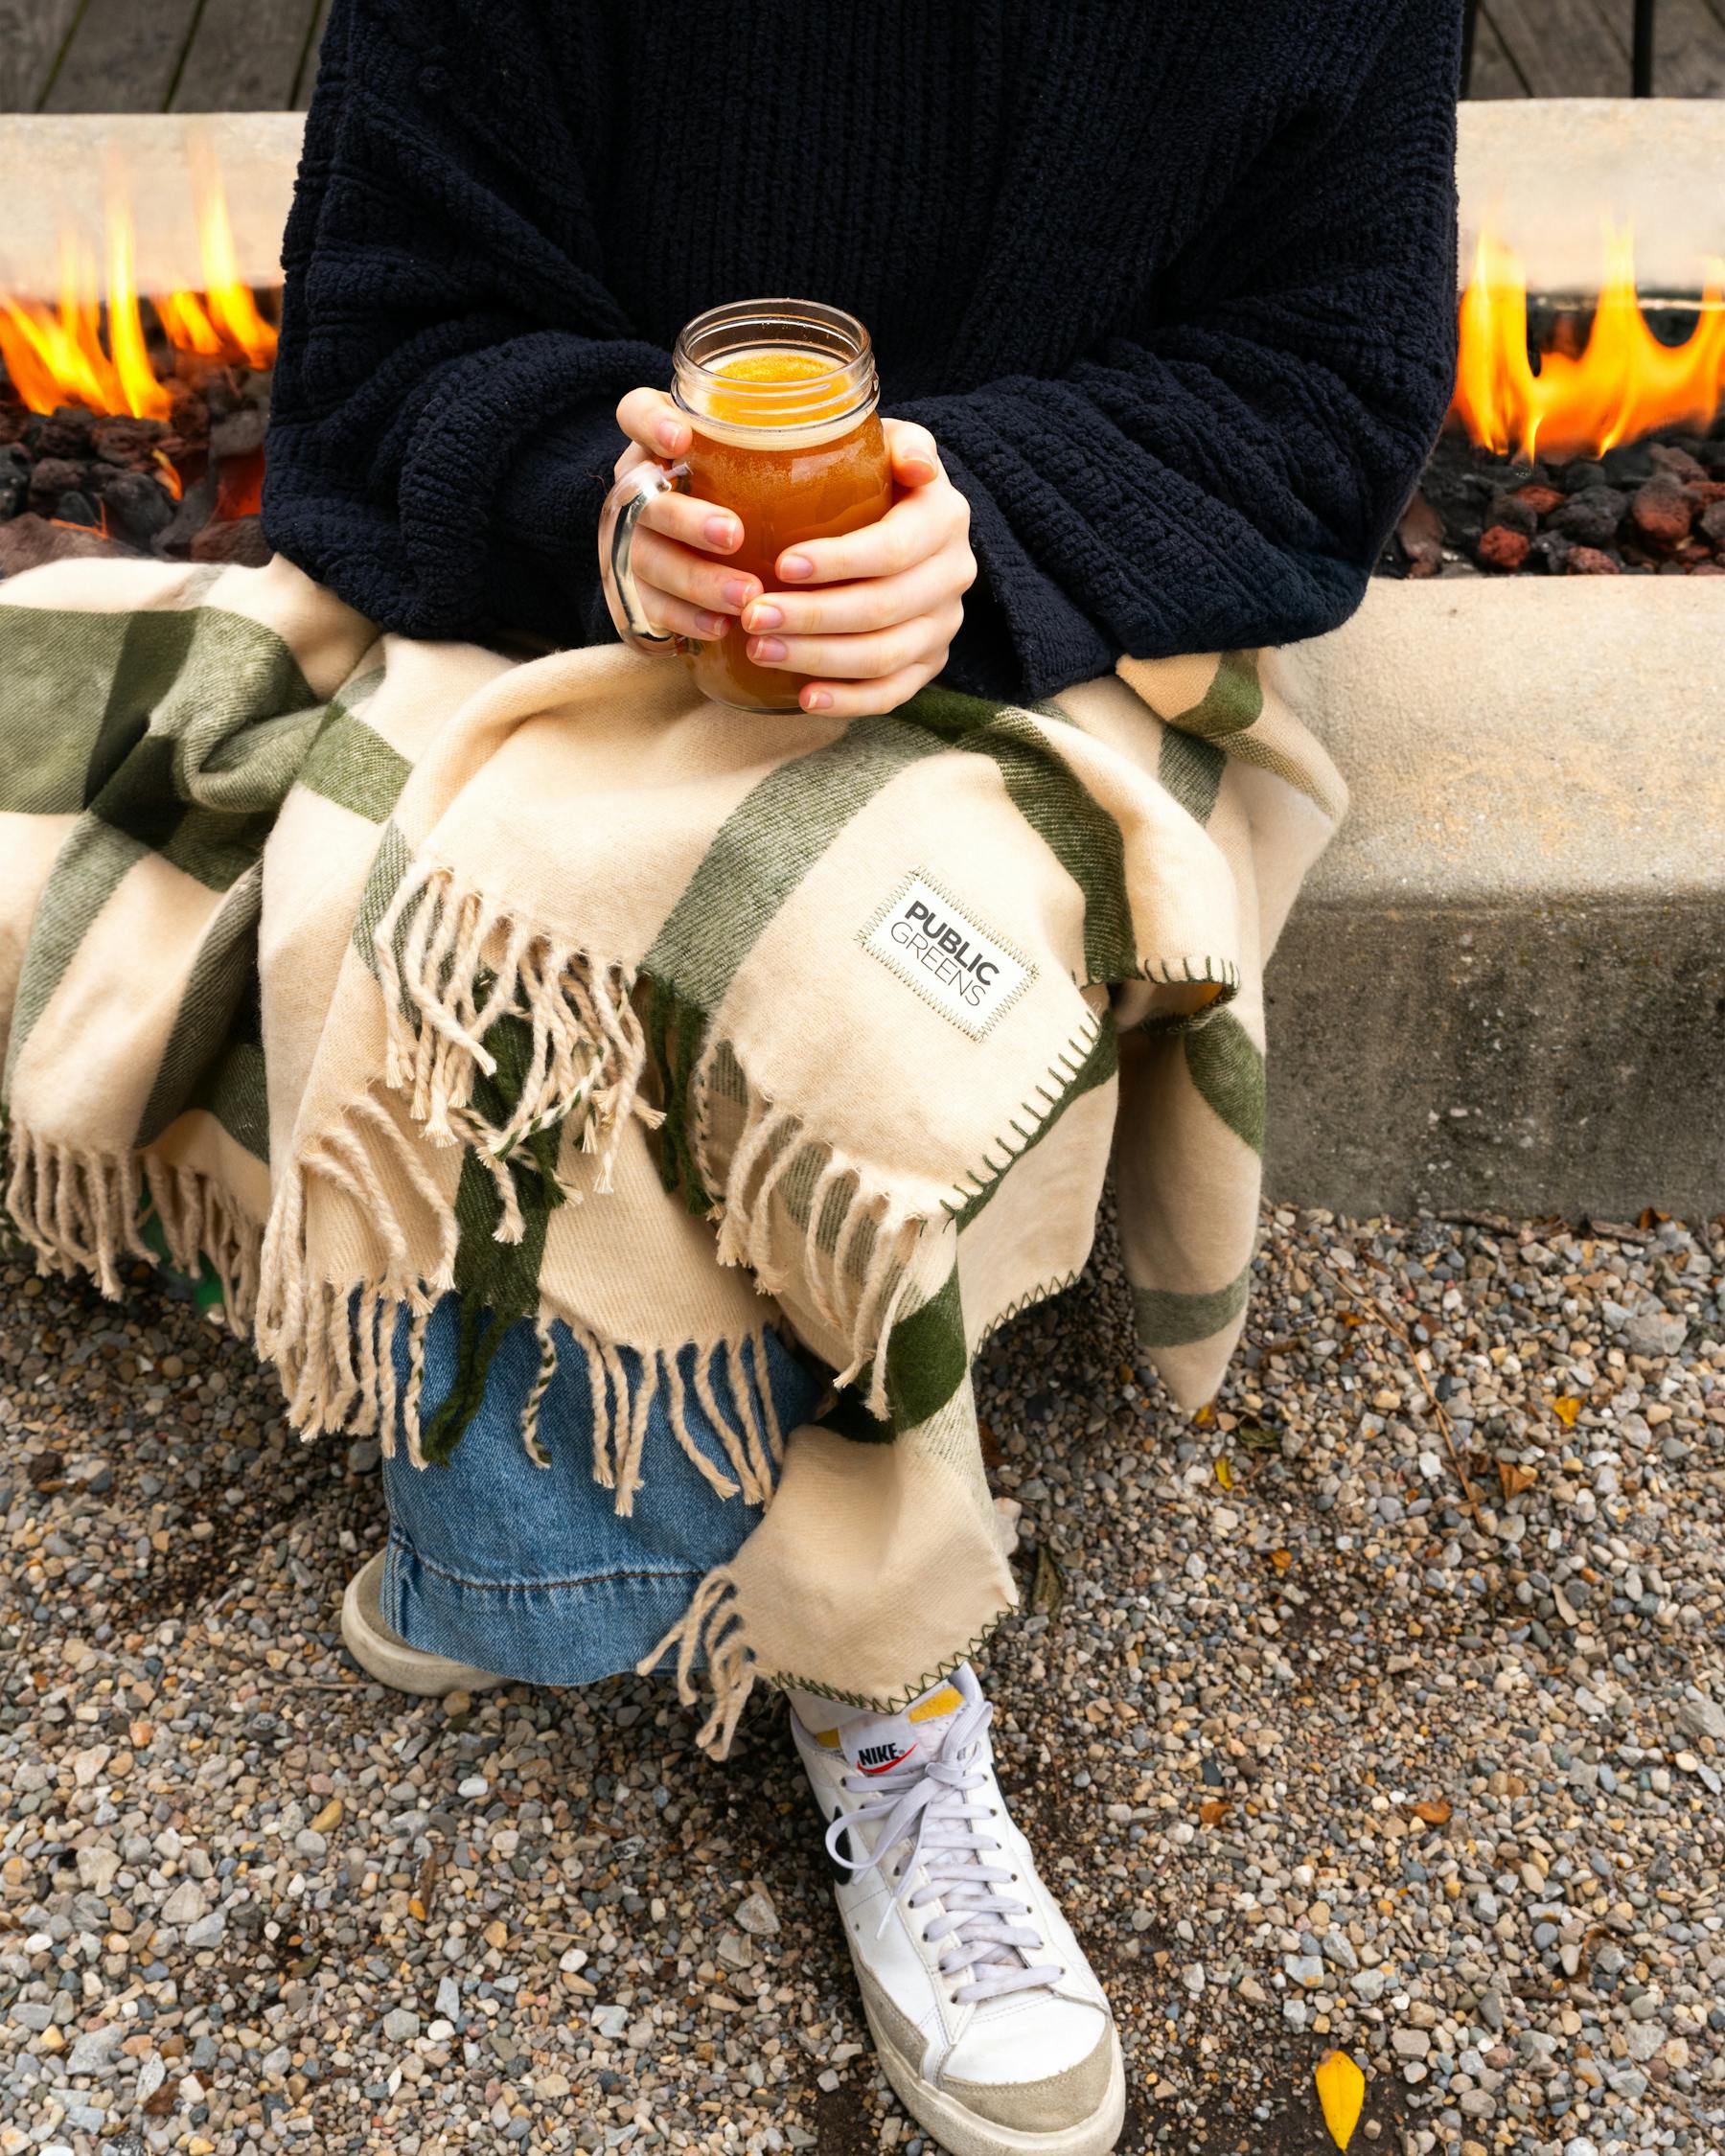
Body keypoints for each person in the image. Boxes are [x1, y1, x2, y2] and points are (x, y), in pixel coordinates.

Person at [262, 5, 1461, 2147]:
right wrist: (604, 515)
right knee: (457, 885)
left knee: (866, 989)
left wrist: (980, 529)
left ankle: (872, 1677)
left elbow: (1329, 388)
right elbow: (381, 332)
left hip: (1077, 601)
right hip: (591, 585)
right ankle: (540, 1536)